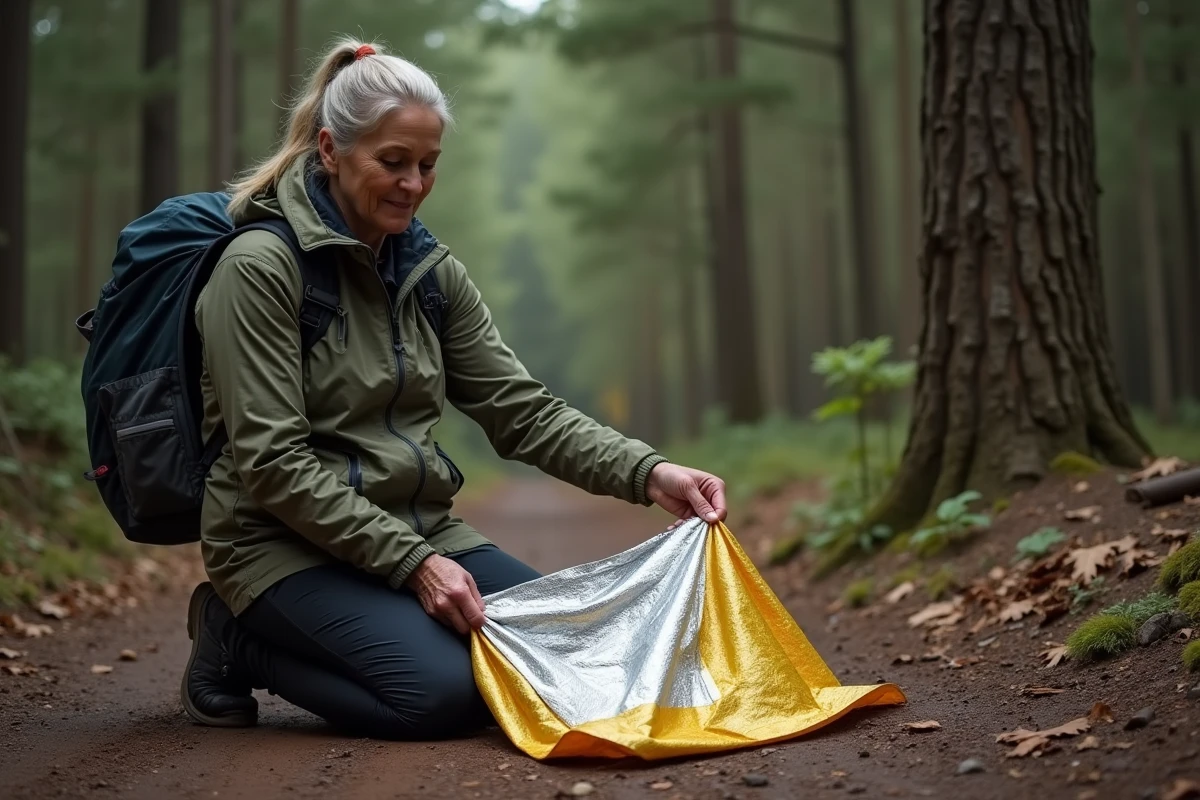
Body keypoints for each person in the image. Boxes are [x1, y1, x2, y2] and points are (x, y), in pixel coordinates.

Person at [182, 36, 728, 741]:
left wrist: (649, 471)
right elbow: (272, 463)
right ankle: (234, 638)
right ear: (328, 150)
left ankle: (379, 612)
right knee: (446, 695)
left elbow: (521, 411)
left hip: (418, 528)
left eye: (428, 165)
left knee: (566, 661)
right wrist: (415, 566)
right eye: (393, 162)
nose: (414, 183)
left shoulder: (430, 275)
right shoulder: (260, 268)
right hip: (277, 544)